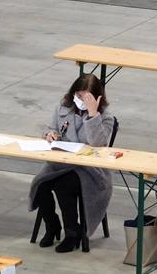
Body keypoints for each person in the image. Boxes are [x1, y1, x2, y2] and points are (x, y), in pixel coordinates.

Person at [28, 74, 115, 253]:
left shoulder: (106, 118)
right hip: (61, 162)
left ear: (97, 97)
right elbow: (50, 128)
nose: (81, 99)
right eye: (79, 95)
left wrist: (92, 114)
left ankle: (72, 233)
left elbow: (98, 143)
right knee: (40, 184)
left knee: (64, 186)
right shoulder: (63, 108)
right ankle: (52, 226)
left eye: (87, 97)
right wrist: (49, 135)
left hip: (89, 169)